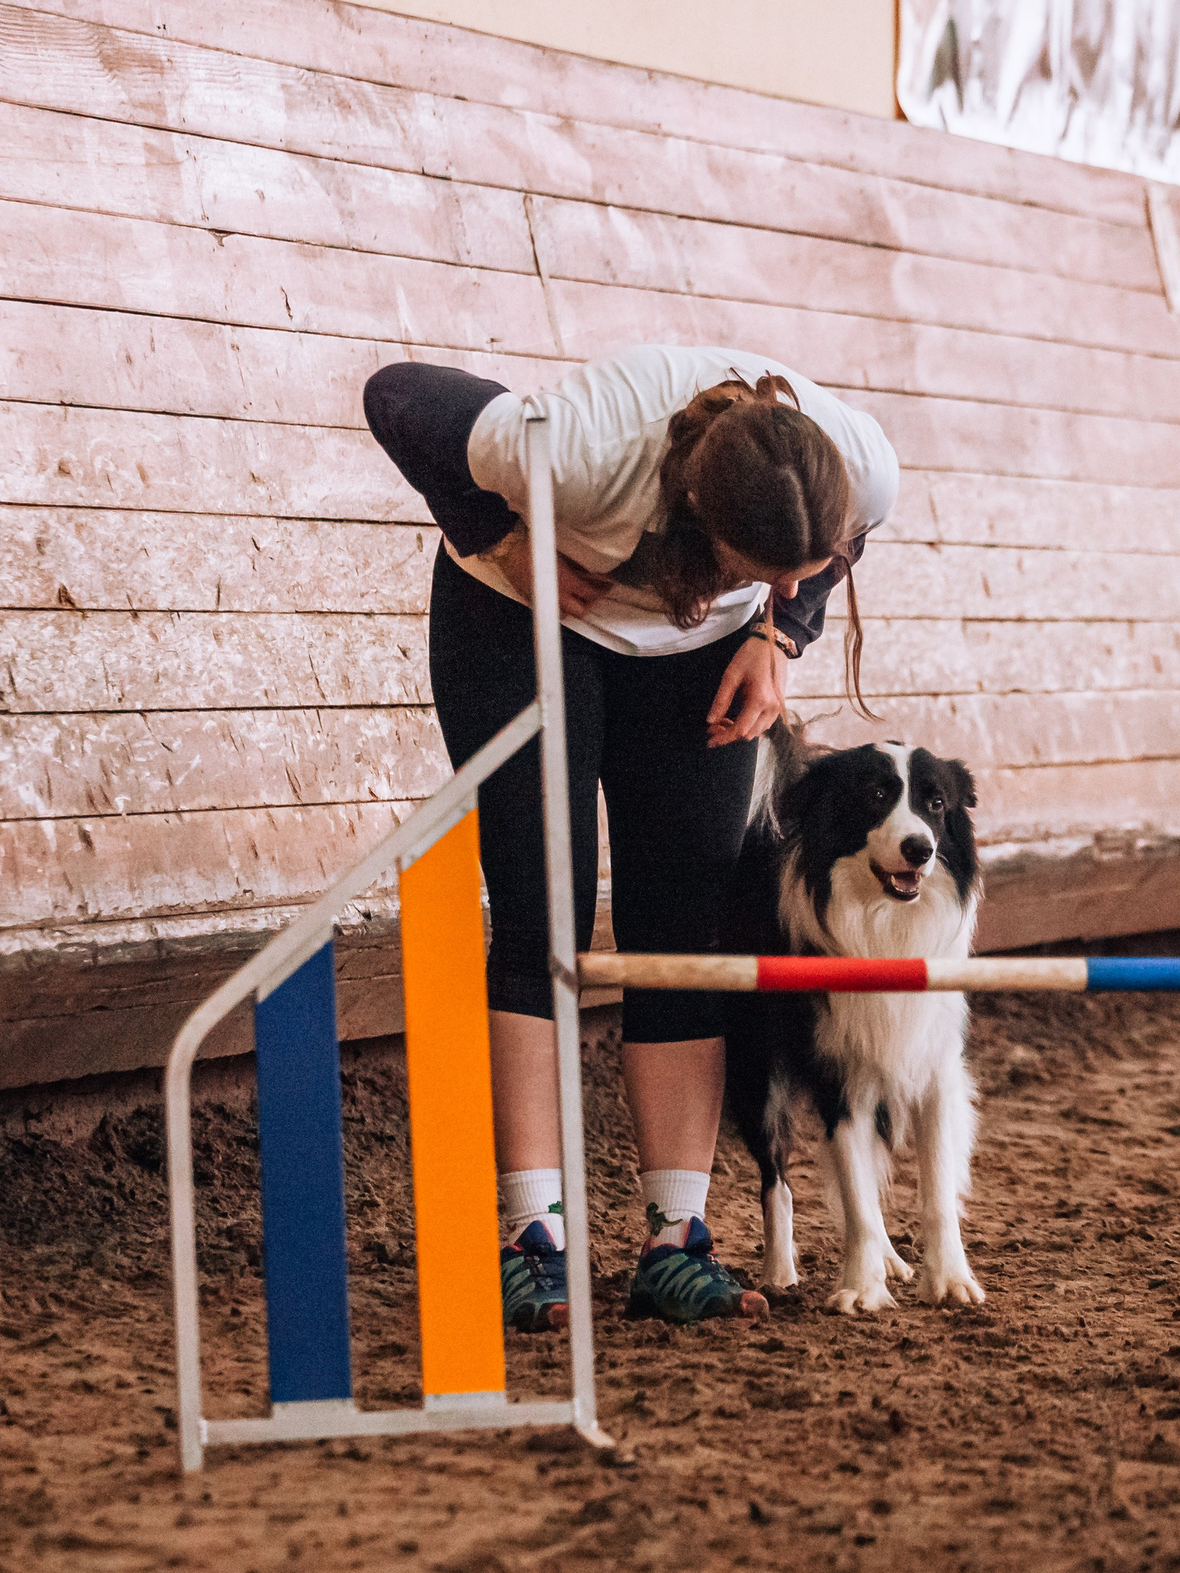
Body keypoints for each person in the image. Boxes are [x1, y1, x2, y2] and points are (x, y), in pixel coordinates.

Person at [363, 346, 898, 1329]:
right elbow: (396, 395)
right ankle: (533, 1238)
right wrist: (496, 531)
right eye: (767, 577)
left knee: (682, 936)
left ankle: (674, 1241)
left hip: (695, 651)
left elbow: (833, 553)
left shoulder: (856, 463)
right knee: (541, 917)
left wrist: (774, 636)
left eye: (803, 572)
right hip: (519, 615)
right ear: (702, 525)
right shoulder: (579, 449)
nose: (792, 586)